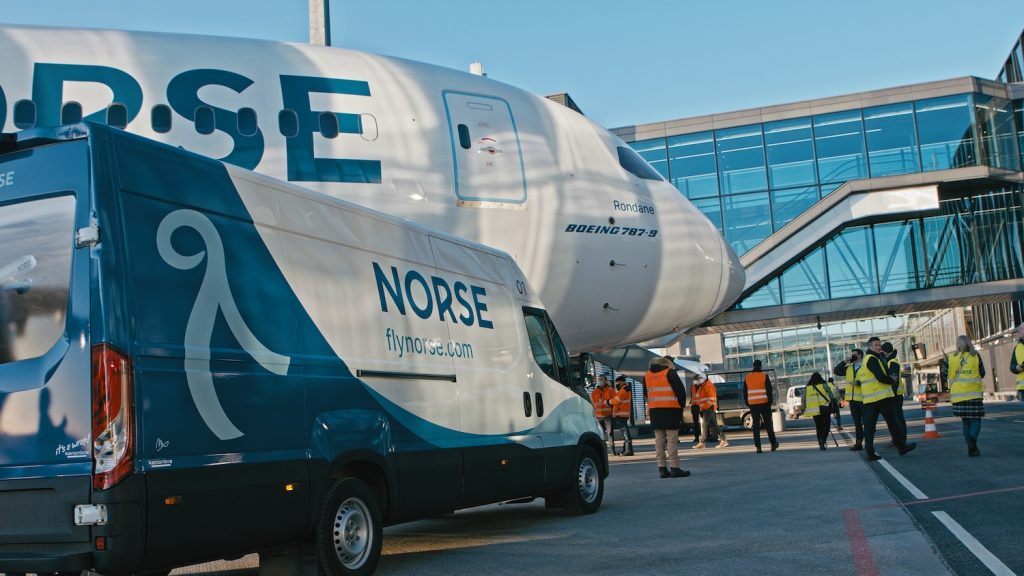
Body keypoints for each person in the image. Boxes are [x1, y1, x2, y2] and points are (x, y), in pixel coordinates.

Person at [859, 336, 915, 461]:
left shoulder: (867, 360)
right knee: (893, 423)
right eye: (876, 345)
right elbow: (880, 377)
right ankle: (901, 447)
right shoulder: (872, 359)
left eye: (879, 345)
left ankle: (870, 452)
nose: (879, 347)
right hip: (881, 397)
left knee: (870, 427)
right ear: (870, 347)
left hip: (870, 399)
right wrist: (891, 380)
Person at [644, 357, 690, 478]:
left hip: (655, 411)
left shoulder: (647, 375)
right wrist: (681, 408)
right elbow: (681, 392)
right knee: (672, 440)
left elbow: (646, 393)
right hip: (671, 410)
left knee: (659, 441)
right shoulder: (669, 372)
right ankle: (675, 468)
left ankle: (662, 469)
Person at [947, 335, 986, 457]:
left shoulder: (951, 358)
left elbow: (944, 374)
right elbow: (982, 372)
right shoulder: (975, 356)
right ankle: (973, 439)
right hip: (974, 394)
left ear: (957, 344)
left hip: (959, 396)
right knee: (976, 420)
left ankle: (971, 447)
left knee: (965, 422)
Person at [743, 359, 778, 453]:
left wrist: (748, 403)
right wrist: (770, 402)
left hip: (753, 405)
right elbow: (769, 390)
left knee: (756, 426)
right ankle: (773, 444)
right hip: (765, 403)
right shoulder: (764, 376)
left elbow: (745, 392)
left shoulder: (748, 377)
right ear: (760, 366)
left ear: (753, 366)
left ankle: (758, 447)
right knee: (768, 425)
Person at [833, 348, 865, 450]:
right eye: (852, 355)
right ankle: (858, 443)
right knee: (857, 422)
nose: (852, 357)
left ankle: (868, 442)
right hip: (853, 400)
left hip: (865, 399)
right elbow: (836, 371)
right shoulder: (849, 368)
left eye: (854, 355)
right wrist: (844, 362)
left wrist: (859, 383)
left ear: (860, 355)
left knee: (868, 422)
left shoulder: (866, 366)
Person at [881, 341, 906, 448]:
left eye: (882, 351)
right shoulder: (890, 361)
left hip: (895, 395)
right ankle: (898, 439)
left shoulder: (892, 362)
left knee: (898, 418)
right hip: (895, 394)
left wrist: (891, 394)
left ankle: (901, 440)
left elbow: (893, 381)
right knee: (895, 418)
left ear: (885, 352)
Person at [693, 373, 728, 449]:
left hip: (709, 408)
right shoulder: (703, 386)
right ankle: (723, 439)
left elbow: (711, 399)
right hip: (706, 408)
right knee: (713, 425)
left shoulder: (708, 386)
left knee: (704, 424)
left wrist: (705, 406)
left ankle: (702, 442)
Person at [804, 372, 837, 450]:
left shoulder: (808, 387)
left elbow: (804, 398)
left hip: (814, 410)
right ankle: (823, 439)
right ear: (820, 378)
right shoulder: (824, 385)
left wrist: (804, 407)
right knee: (826, 426)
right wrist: (833, 400)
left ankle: (820, 440)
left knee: (818, 426)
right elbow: (830, 393)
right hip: (824, 408)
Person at [609, 375, 634, 456]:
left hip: (621, 414)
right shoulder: (624, 389)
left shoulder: (623, 390)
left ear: (622, 382)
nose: (617, 385)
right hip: (622, 413)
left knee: (625, 433)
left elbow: (616, 401)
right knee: (625, 433)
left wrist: (608, 402)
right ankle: (626, 450)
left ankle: (628, 450)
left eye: (618, 383)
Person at [591, 375, 614, 452]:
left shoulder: (611, 390)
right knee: (601, 434)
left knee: (610, 433)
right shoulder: (594, 392)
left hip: (608, 415)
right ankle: (603, 451)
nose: (600, 381)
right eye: (599, 380)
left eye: (601, 379)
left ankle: (612, 450)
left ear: (605, 380)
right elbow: (592, 403)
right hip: (599, 416)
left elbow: (614, 402)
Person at [1011, 323, 1024, 402]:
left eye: (1022, 329)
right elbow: (1012, 365)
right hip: (1023, 388)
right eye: (1020, 330)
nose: (1020, 331)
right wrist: (1016, 368)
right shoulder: (1018, 347)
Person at [689, 375, 702, 443]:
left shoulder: (702, 386)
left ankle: (706, 436)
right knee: (695, 423)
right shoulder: (692, 386)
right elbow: (692, 395)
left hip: (701, 405)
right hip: (694, 406)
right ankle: (696, 437)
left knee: (705, 422)